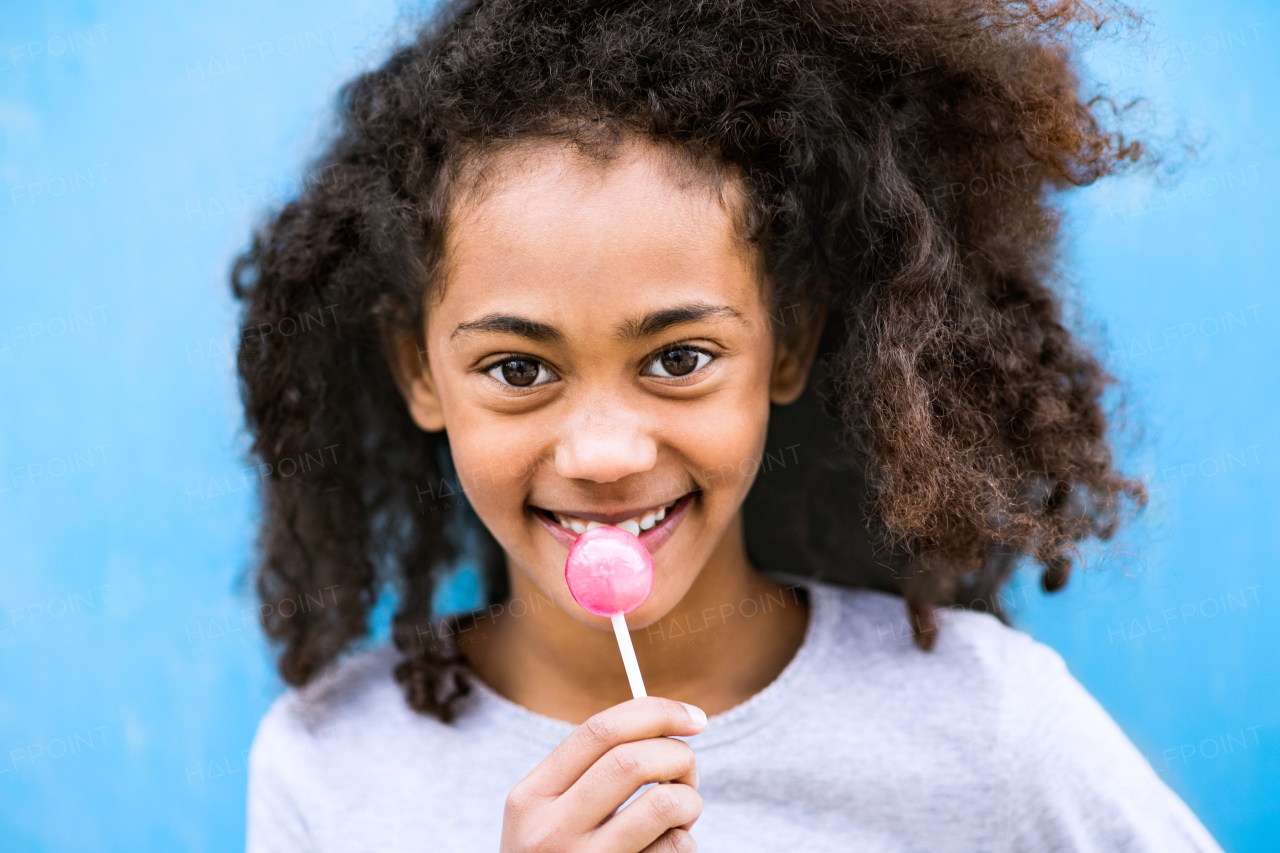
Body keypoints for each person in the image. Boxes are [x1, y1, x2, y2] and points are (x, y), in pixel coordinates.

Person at [235, 0, 1224, 849]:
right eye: (518, 368)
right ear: (419, 370)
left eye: (678, 358)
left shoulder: (990, 725)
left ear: (786, 343)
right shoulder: (329, 769)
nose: (604, 454)